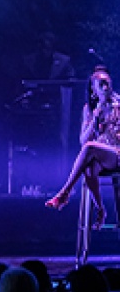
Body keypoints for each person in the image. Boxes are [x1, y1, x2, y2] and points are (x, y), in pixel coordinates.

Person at [45, 66, 120, 226]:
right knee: (89, 167)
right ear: (94, 90)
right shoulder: (89, 109)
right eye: (101, 84)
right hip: (101, 156)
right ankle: (100, 209)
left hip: (117, 153)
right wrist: (95, 119)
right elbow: (83, 140)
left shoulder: (118, 105)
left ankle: (65, 192)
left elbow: (89, 145)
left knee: (90, 148)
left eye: (107, 83)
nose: (105, 87)